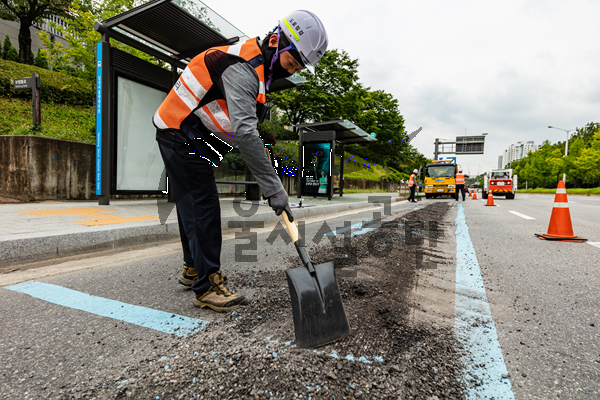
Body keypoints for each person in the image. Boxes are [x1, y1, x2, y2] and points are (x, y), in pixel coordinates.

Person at [153, 10, 328, 312]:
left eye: (300, 66)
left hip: (186, 130)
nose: (293, 69)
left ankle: (193, 268)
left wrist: (267, 166)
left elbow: (244, 129)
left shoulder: (259, 69)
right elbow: (246, 133)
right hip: (179, 131)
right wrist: (275, 190)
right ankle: (207, 286)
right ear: (276, 41)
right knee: (203, 205)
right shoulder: (243, 69)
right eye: (291, 61)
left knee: (189, 203)